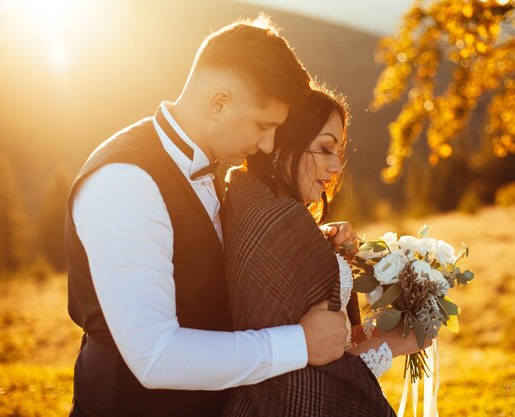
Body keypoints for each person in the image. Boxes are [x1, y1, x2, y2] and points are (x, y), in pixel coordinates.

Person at [65, 17, 350, 417]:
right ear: (219, 102)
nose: (268, 144)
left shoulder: (208, 169)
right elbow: (155, 356)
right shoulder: (126, 182)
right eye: (263, 125)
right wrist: (299, 343)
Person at [223, 87, 430, 416]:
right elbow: (291, 375)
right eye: (324, 149)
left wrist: (320, 242)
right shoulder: (275, 223)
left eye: (339, 152)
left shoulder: (272, 213)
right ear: (282, 145)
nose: (336, 167)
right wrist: (389, 345)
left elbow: (320, 338)